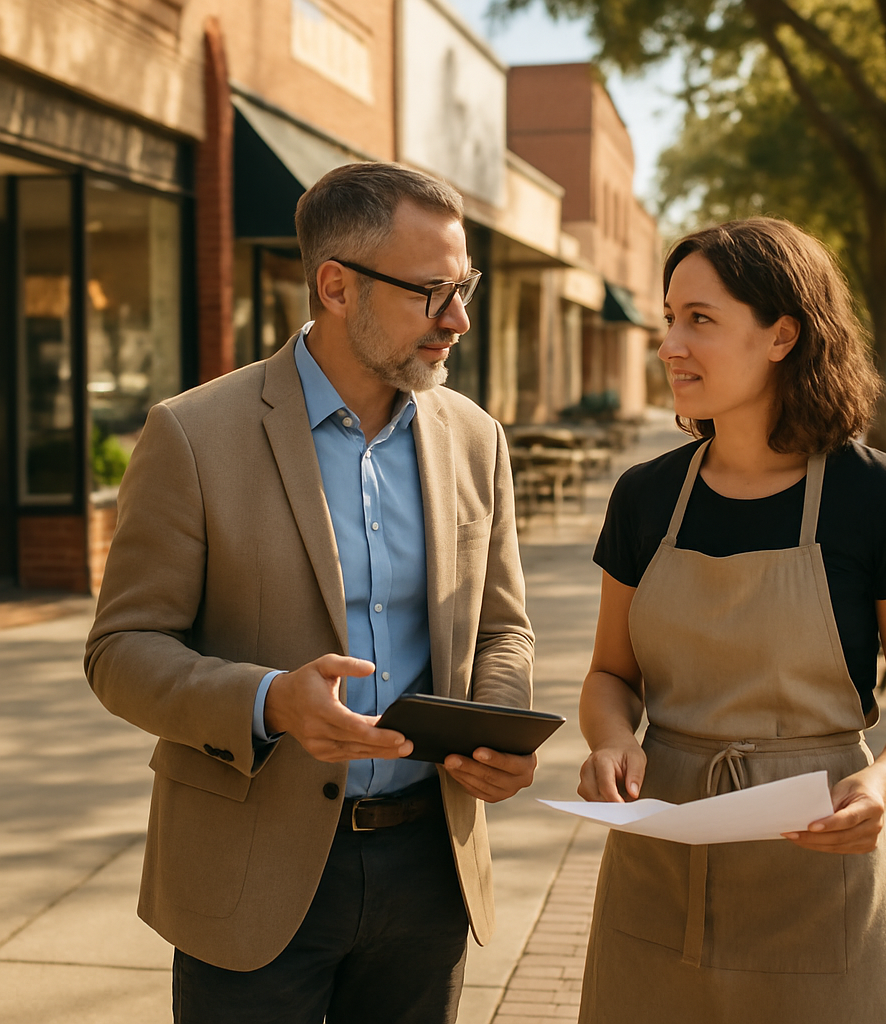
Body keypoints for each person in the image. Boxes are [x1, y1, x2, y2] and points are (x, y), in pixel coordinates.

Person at [84, 162, 536, 1024]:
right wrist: (269, 701)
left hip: (429, 870)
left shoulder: (476, 438)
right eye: (432, 291)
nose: (459, 320)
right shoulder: (192, 434)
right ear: (336, 285)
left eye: (465, 286)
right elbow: (121, 652)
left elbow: (503, 629)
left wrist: (495, 726)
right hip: (247, 874)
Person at [576, 218, 886, 1023]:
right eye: (669, 318)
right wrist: (611, 741)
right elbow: (612, 675)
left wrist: (881, 783)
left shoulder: (882, 499)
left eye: (700, 320)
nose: (670, 344)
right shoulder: (645, 498)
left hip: (822, 873)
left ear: (782, 334)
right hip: (658, 870)